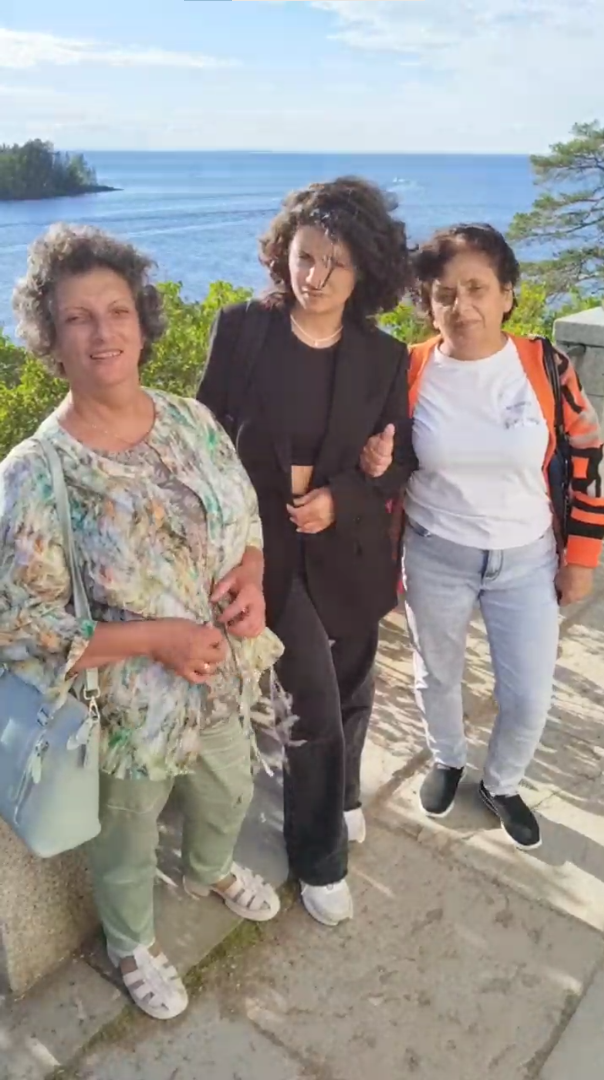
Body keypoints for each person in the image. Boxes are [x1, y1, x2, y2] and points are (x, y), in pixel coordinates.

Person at [0, 224, 283, 1021]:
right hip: (124, 712)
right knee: (125, 839)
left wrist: (253, 577)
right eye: (78, 317)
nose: (103, 332)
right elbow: (21, 626)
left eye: (117, 311)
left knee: (230, 789)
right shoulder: (37, 471)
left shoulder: (191, 419)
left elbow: (245, 516)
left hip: (220, 676)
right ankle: (130, 943)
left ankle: (210, 869)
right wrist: (156, 638)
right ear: (51, 338)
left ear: (141, 319)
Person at [197, 177, 414, 927]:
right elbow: (204, 436)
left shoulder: (383, 355)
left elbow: (399, 459)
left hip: (347, 546)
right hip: (264, 545)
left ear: (365, 274)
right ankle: (320, 856)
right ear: (283, 250)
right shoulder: (242, 329)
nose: (314, 277)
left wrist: (351, 490)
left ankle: (344, 793)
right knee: (312, 702)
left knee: (352, 683)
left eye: (335, 264)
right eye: (305, 255)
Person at [361, 223, 604, 850]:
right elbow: (386, 462)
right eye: (444, 293)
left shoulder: (544, 366)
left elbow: (588, 452)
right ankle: (447, 758)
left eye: (476, 288)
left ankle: (502, 783)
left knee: (528, 694)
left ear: (507, 294)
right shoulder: (409, 369)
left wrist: (582, 556)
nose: (460, 306)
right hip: (435, 553)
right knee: (436, 675)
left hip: (527, 559)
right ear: (427, 302)